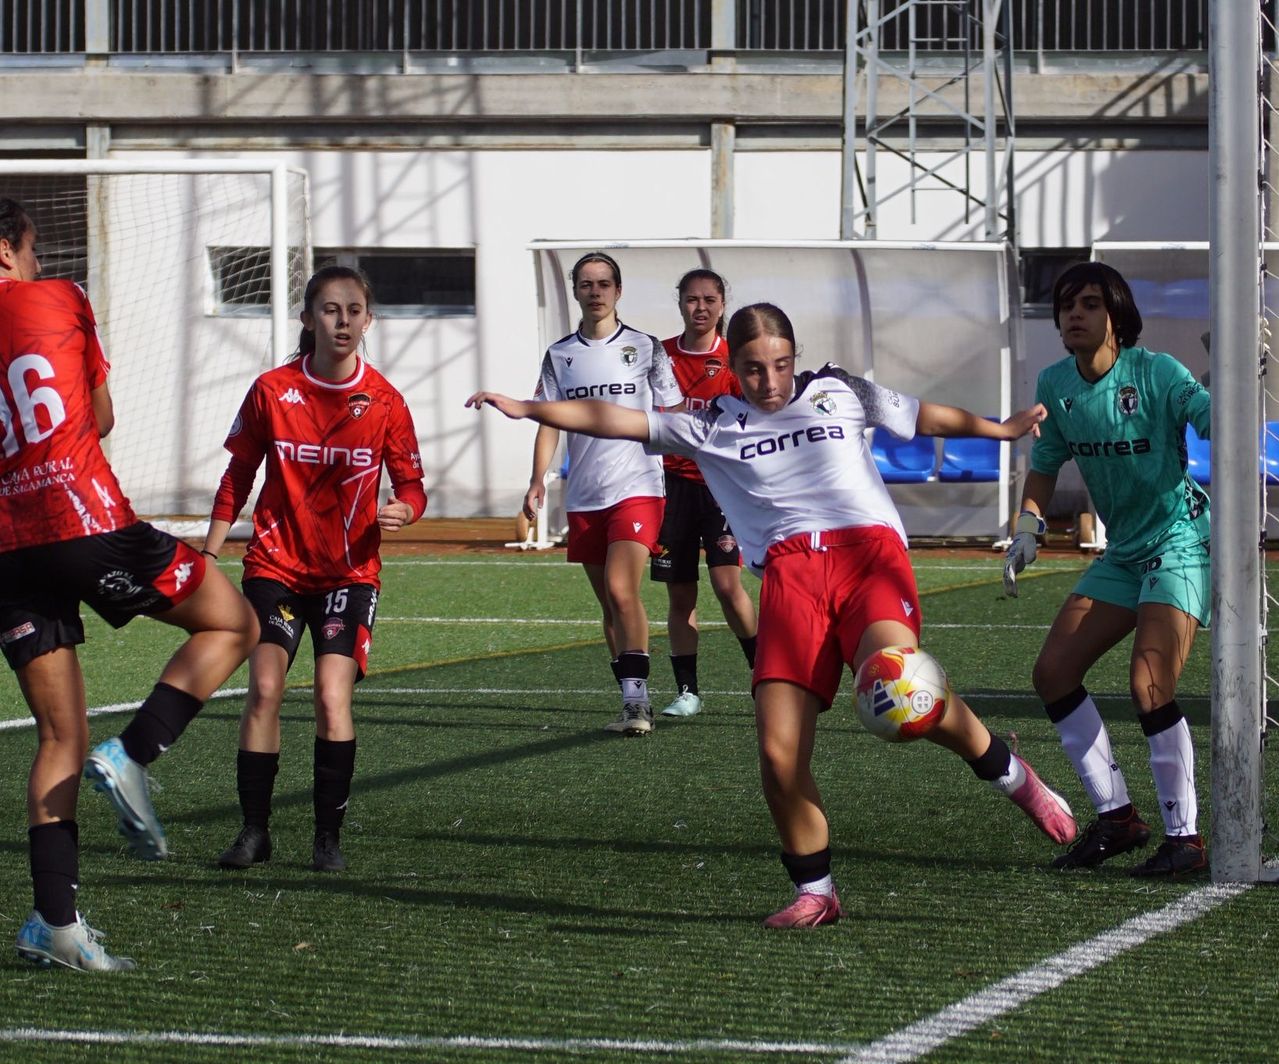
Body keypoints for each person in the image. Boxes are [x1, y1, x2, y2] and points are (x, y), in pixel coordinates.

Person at [469, 302, 1078, 929]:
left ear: (796, 356)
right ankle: (817, 891)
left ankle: (1010, 774)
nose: (770, 381)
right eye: (754, 370)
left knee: (899, 682)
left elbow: (922, 415)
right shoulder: (709, 422)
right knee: (779, 756)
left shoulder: (839, 390)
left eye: (781, 364)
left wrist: (1001, 431)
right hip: (790, 578)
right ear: (732, 367)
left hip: (867, 556)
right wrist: (530, 407)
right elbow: (611, 418)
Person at [0, 199, 258, 970]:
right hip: (83, 519)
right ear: (8, 247)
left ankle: (58, 923)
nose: (40, 263)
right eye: (34, 249)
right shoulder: (62, 298)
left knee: (57, 737)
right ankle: (137, 753)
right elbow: (100, 417)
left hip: (6, 550)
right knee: (233, 624)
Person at [202, 265, 426, 874]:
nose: (343, 321)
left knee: (332, 697)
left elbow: (411, 484)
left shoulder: (384, 401)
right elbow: (237, 476)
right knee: (265, 689)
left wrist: (405, 507)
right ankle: (254, 831)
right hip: (274, 565)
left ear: (369, 320)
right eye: (330, 310)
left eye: (354, 310)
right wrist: (207, 552)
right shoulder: (273, 390)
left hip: (350, 574)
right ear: (308, 319)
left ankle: (327, 839)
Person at [1002, 261, 1212, 877]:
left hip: (1180, 541)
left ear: (1116, 316)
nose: (1073, 314)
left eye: (1089, 304)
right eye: (1067, 305)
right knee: (1053, 672)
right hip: (1123, 552)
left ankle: (1185, 838)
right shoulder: (1056, 384)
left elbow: (1211, 424)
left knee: (1149, 684)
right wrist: (1027, 529)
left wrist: (1228, 381)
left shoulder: (1158, 373)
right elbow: (1044, 465)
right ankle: (1118, 818)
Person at [525, 252, 683, 735]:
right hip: (585, 494)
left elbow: (673, 412)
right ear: (575, 291)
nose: (595, 291)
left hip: (638, 487)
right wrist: (537, 479)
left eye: (604, 283)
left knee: (622, 589)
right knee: (608, 605)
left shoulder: (646, 347)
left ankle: (639, 705)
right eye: (586, 284)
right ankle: (630, 698)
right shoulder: (559, 355)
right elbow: (548, 419)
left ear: (618, 291)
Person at [651, 269, 759, 717]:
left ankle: (763, 676)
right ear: (679, 303)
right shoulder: (659, 355)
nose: (701, 307)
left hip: (718, 485)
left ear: (721, 303)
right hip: (669, 488)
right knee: (680, 594)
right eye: (692, 299)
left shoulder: (735, 359)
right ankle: (687, 692)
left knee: (727, 584)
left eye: (709, 299)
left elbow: (751, 420)